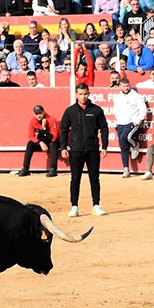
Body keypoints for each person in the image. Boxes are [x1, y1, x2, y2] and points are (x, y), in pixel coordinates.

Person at [59, 83, 109, 217]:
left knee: (94, 178)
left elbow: (104, 128)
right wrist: (63, 147)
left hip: (92, 149)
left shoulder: (96, 110)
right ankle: (74, 206)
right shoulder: (70, 111)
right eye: (80, 94)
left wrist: (104, 146)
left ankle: (96, 205)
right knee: (75, 179)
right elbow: (63, 129)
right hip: (76, 150)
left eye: (85, 94)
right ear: (76, 95)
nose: (83, 97)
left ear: (89, 93)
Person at [114, 77, 148, 178]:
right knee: (123, 147)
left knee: (126, 137)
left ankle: (135, 145)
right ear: (120, 86)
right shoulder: (117, 97)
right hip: (120, 123)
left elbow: (143, 110)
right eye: (123, 86)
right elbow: (116, 110)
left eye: (127, 86)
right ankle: (126, 169)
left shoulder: (136, 96)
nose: (126, 88)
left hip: (132, 122)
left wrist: (137, 120)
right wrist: (117, 123)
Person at [19, 104, 60, 178]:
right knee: (30, 144)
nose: (39, 116)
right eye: (36, 114)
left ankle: (53, 169)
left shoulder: (52, 120)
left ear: (44, 112)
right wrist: (40, 142)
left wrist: (44, 128)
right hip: (42, 141)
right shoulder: (33, 121)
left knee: (53, 144)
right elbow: (31, 136)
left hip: (52, 140)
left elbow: (54, 137)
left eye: (40, 113)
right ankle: (25, 168)